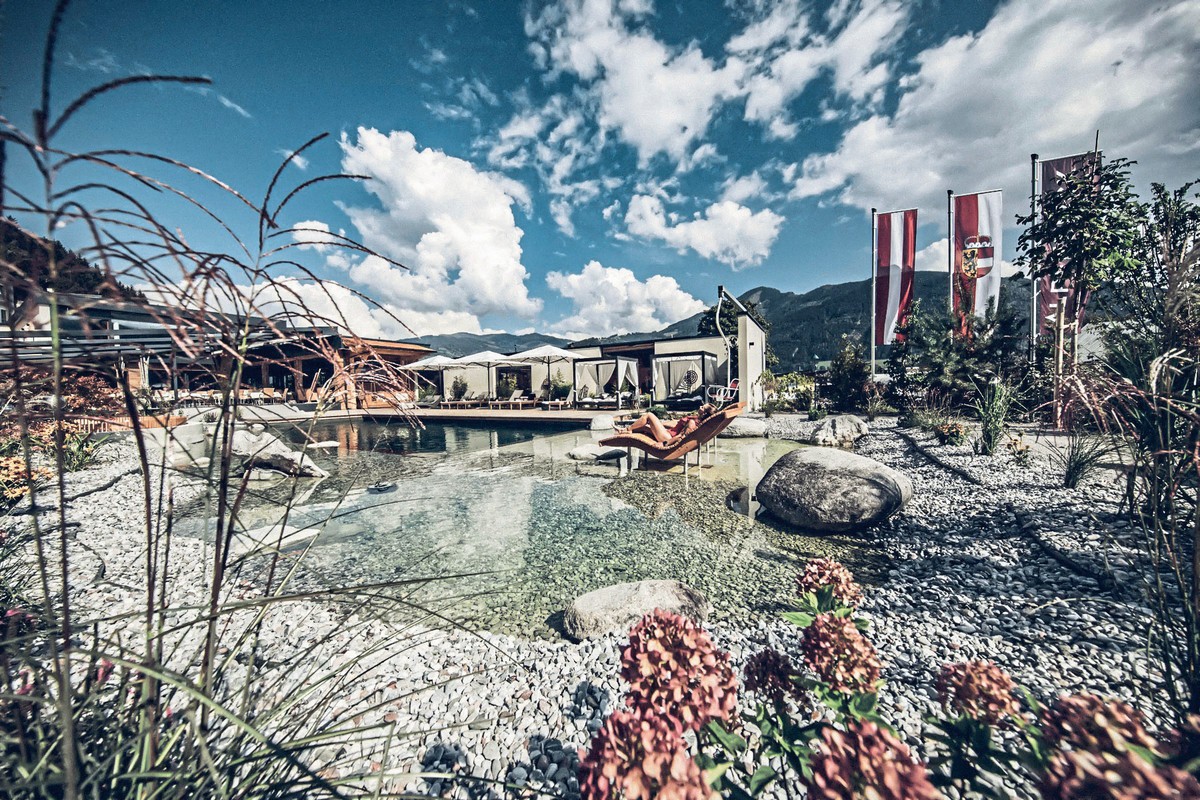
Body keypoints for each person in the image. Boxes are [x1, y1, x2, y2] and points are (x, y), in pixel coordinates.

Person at [627, 403, 718, 444]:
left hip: (667, 437)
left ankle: (628, 429)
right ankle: (626, 431)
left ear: (705, 413)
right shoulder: (696, 419)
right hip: (668, 433)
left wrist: (664, 444)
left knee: (649, 415)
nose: (700, 406)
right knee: (643, 428)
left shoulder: (692, 423)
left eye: (702, 407)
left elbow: (682, 437)